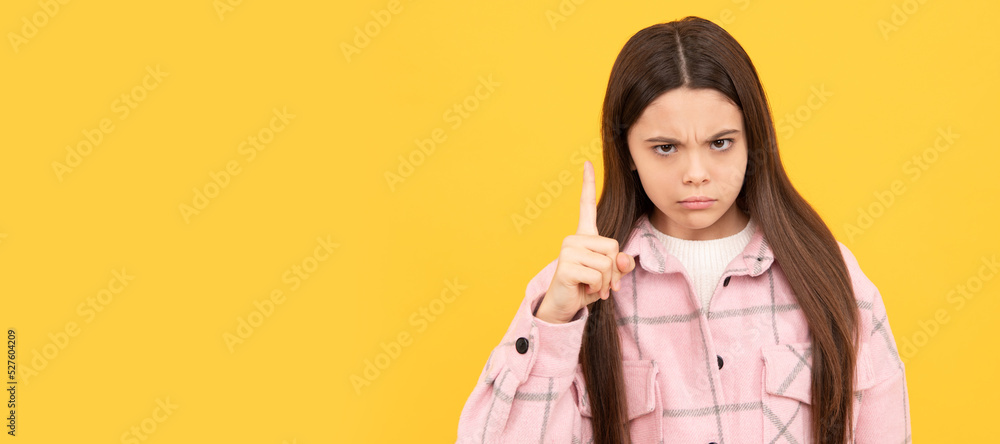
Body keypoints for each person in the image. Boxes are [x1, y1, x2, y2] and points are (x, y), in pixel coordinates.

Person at [456, 16, 911, 444]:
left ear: (753, 141)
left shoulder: (829, 275)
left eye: (719, 143)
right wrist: (554, 323)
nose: (695, 172)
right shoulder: (572, 292)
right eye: (666, 147)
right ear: (627, 151)